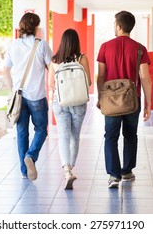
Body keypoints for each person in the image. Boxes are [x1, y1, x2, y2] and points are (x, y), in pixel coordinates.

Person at [96, 11, 152, 188]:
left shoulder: (105, 47)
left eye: (114, 24)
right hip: (132, 99)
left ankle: (114, 175)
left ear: (119, 26)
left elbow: (101, 76)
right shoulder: (140, 49)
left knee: (110, 136)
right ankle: (126, 171)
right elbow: (145, 78)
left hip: (111, 100)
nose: (114, 26)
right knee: (130, 135)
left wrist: (100, 96)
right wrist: (149, 103)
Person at [3, 12, 53, 181]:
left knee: (22, 132)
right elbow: (50, 67)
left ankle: (24, 171)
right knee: (41, 129)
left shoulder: (13, 45)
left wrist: (12, 89)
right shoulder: (42, 45)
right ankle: (31, 156)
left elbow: (6, 70)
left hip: (19, 95)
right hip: (37, 96)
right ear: (36, 27)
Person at [48, 29, 92, 190]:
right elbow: (89, 82)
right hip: (79, 103)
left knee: (63, 136)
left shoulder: (54, 60)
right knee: (75, 137)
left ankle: (66, 170)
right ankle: (71, 168)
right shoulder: (82, 58)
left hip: (60, 103)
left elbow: (51, 84)